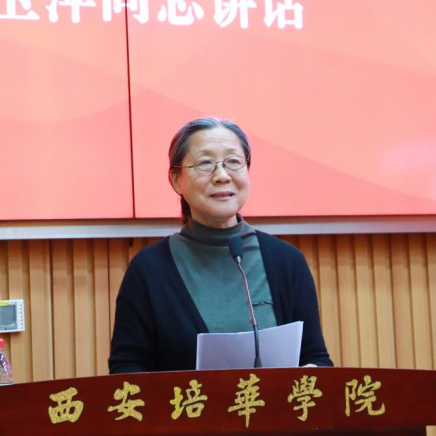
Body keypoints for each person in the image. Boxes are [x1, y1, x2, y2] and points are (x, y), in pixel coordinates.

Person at [108, 117, 333, 373]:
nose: (222, 176)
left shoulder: (286, 261)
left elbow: (316, 357)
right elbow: (126, 369)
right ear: (176, 179)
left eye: (233, 162)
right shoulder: (149, 269)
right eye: (205, 163)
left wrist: (314, 370)